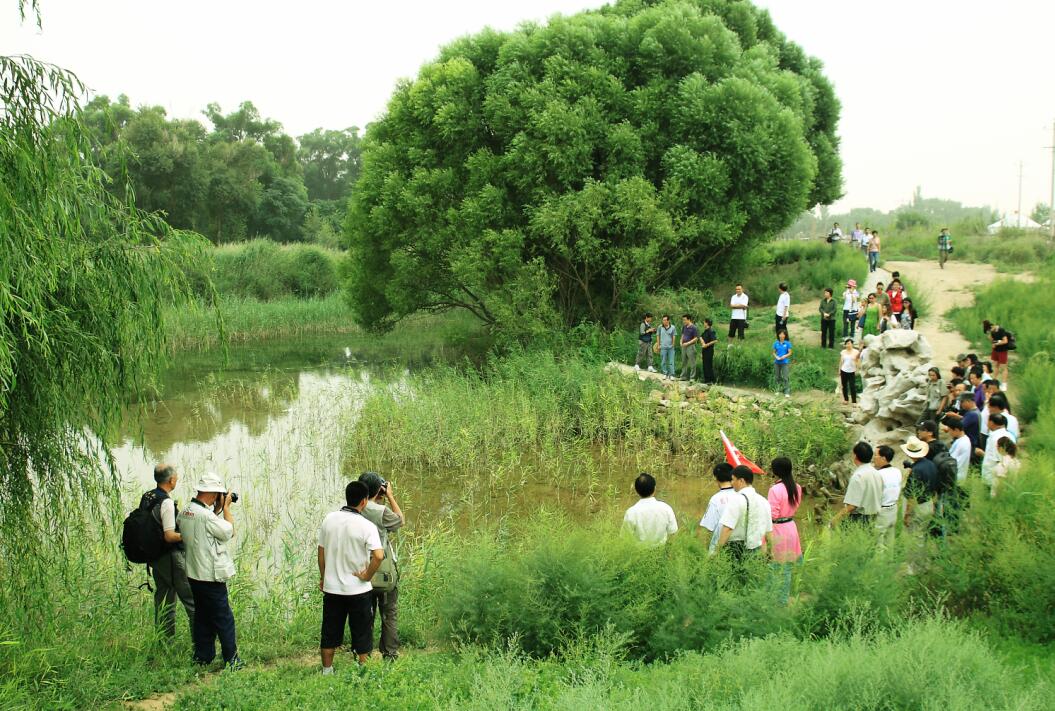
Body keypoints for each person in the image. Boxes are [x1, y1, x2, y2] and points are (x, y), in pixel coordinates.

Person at [178, 472, 243, 670]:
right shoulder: (206, 516)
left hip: (194, 574)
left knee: (203, 617)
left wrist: (215, 510)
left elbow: (204, 526)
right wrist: (226, 509)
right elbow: (229, 531)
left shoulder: (186, 511)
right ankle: (232, 660)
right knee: (224, 618)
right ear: (214, 493)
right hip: (210, 576)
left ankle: (203, 656)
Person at [318, 481, 384, 673]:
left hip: (333, 589)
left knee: (329, 632)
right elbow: (378, 555)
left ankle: (327, 671)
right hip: (359, 590)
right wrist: (366, 575)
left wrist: (324, 577)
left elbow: (321, 552)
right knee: (362, 635)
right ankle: (362, 672)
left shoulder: (329, 520)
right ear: (364, 501)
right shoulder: (367, 526)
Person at [143, 463, 195, 639]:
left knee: (164, 599)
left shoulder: (148, 496)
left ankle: (164, 641)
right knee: (190, 599)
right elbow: (169, 536)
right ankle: (202, 642)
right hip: (170, 558)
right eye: (176, 477)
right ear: (172, 480)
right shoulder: (165, 502)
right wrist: (187, 534)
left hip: (155, 557)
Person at [358, 472, 405, 661]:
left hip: (363, 569)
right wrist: (391, 497)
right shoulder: (380, 511)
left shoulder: (356, 508)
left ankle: (363, 653)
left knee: (365, 615)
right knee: (389, 614)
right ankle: (390, 653)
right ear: (379, 489)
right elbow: (399, 521)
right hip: (383, 571)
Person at [715, 466, 772, 560]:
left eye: (733, 480)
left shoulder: (736, 500)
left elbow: (727, 528)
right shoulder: (764, 501)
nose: (731, 483)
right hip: (757, 550)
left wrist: (717, 550)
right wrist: (770, 552)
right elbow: (769, 531)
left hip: (736, 549)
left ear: (741, 481)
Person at [767, 457, 802, 605]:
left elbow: (772, 514)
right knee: (786, 566)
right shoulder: (797, 487)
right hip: (791, 526)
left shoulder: (775, 489)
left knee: (773, 564)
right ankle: (783, 599)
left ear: (775, 471)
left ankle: (771, 598)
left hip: (778, 528)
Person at [829, 442, 883, 528]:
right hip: (874, 517)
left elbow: (852, 506)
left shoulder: (858, 476)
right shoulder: (877, 474)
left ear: (855, 456)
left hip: (859, 519)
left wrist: (834, 519)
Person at [622, 473, 678, 546]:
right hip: (661, 551)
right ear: (654, 489)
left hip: (638, 554)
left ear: (636, 491)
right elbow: (673, 533)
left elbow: (625, 538)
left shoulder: (631, 512)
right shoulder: (666, 508)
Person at [901, 437, 938, 535]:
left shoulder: (916, 470)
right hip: (928, 504)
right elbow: (935, 488)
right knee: (921, 535)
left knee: (912, 537)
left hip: (918, 507)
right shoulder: (931, 464)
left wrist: (907, 515)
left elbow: (912, 496)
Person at [697, 463, 737, 552]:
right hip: (741, 546)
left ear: (716, 478)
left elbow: (708, 528)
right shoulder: (741, 495)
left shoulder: (716, 499)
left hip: (720, 548)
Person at [873, 446, 901, 549]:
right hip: (893, 508)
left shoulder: (878, 474)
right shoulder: (897, 471)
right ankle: (889, 561)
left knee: (879, 542)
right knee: (890, 539)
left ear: (883, 458)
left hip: (882, 510)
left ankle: (879, 564)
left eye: (876, 455)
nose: (874, 458)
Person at [979, 413, 1013, 492]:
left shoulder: (997, 438)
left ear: (991, 422)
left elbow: (1000, 460)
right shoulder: (1008, 435)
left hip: (993, 478)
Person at [943, 414, 971, 484]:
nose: (949, 433)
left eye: (949, 430)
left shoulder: (962, 443)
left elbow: (952, 461)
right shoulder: (964, 439)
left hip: (956, 476)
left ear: (956, 430)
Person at [983, 320, 1012, 385]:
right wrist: (991, 339)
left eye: (990, 331)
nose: (990, 332)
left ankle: (1004, 383)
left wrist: (997, 344)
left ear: (992, 327)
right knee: (996, 366)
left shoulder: (1001, 330)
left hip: (1002, 350)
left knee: (1003, 367)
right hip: (996, 350)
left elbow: (1005, 341)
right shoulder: (992, 332)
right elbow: (993, 341)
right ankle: (994, 380)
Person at [838, 338, 859, 405]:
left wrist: (857, 369)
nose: (848, 345)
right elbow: (841, 361)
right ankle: (846, 399)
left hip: (852, 371)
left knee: (852, 386)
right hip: (844, 370)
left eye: (849, 343)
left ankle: (854, 401)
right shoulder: (843, 352)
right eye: (847, 344)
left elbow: (858, 361)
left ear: (852, 344)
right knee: (844, 386)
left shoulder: (856, 352)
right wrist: (839, 370)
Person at [772, 330, 792, 397]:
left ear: (785, 335)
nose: (781, 335)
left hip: (784, 362)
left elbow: (790, 353)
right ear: (778, 335)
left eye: (783, 334)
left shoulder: (787, 343)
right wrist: (776, 357)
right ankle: (777, 390)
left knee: (785, 377)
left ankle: (787, 392)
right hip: (777, 362)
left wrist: (784, 356)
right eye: (780, 334)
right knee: (777, 377)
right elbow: (773, 352)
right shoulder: (776, 343)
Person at [657, 315, 677, 381]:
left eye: (665, 320)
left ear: (668, 321)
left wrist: (673, 345)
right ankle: (665, 373)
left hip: (670, 347)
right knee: (663, 361)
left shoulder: (673, 327)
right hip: (663, 347)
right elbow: (658, 336)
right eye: (663, 320)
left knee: (671, 361)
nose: (664, 321)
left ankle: (672, 374)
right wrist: (658, 345)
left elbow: (674, 336)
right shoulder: (660, 327)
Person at [679, 314, 699, 381]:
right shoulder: (684, 327)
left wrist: (688, 343)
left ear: (689, 319)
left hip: (690, 346)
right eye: (683, 320)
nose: (683, 321)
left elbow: (696, 338)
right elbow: (683, 335)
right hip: (684, 346)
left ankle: (692, 378)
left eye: (684, 320)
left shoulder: (694, 327)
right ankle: (683, 376)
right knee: (684, 362)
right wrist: (681, 341)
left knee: (692, 362)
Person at [700, 318, 718, 384]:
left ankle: (711, 380)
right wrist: (702, 342)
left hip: (709, 351)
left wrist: (706, 345)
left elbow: (715, 340)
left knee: (708, 365)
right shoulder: (705, 331)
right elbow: (701, 337)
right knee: (704, 365)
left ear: (707, 323)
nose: (703, 323)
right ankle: (706, 380)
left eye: (704, 322)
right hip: (704, 350)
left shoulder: (711, 331)